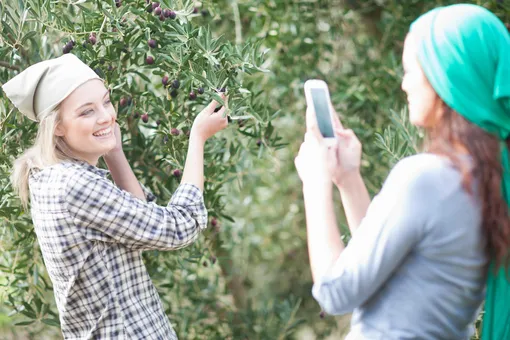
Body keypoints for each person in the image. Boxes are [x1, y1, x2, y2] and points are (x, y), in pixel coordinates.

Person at [295, 3, 510, 340]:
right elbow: (392, 267)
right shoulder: (490, 177)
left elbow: (336, 292)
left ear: (446, 76)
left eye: (411, 70)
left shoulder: (428, 176)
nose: (404, 85)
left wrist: (315, 181)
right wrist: (349, 179)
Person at [2, 53, 228, 339]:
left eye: (106, 101)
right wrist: (198, 138)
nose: (107, 115)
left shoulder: (48, 177)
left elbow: (140, 224)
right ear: (56, 126)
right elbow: (178, 228)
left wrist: (115, 153)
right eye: (87, 111)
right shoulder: (74, 185)